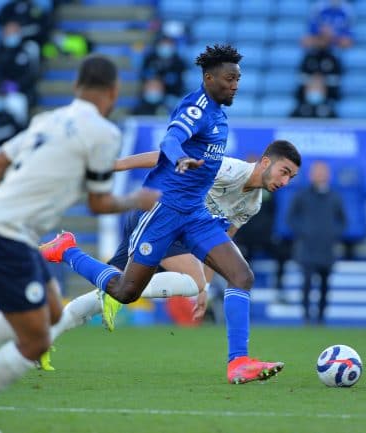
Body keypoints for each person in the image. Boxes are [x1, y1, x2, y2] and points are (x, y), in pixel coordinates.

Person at [0, 54, 160, 433]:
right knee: (36, 341)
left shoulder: (47, 119)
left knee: (51, 311)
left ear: (77, 86)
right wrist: (136, 200)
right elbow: (99, 203)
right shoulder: (103, 133)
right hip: (6, 233)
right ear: (112, 93)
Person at [36, 44, 287, 385]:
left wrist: (205, 285)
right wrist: (178, 156)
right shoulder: (197, 108)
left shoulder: (219, 116)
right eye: (229, 78)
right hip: (163, 210)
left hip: (195, 214)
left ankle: (238, 362)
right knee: (125, 291)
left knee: (241, 275)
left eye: (238, 79)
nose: (235, 85)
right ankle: (66, 250)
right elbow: (172, 138)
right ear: (209, 77)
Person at [38, 140, 301, 370]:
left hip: (175, 234)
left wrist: (205, 287)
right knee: (179, 282)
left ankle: (44, 338)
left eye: (291, 177)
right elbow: (166, 157)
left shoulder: (252, 204)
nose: (285, 182)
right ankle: (67, 252)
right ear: (265, 162)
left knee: (113, 290)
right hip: (158, 215)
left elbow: (222, 244)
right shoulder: (228, 169)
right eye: (284, 172)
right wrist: (117, 165)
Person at [286, 161, 345, 324]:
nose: (319, 175)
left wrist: (333, 233)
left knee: (325, 284)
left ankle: (321, 317)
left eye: (322, 172)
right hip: (307, 248)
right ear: (311, 174)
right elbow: (291, 218)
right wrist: (304, 231)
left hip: (326, 248)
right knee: (306, 283)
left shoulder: (335, 196)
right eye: (316, 172)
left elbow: (343, 220)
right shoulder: (302, 195)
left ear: (328, 174)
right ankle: (306, 316)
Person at [0, 20, 40, 106]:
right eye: (9, 32)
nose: (12, 35)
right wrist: (3, 84)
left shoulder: (26, 49)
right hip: (2, 89)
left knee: (19, 102)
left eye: (14, 32)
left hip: (23, 89)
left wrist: (18, 85)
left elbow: (30, 73)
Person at [140, 35, 186, 101]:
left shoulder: (179, 62)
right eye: (163, 44)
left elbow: (180, 82)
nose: (166, 46)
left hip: (173, 95)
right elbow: (144, 75)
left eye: (168, 44)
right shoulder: (150, 59)